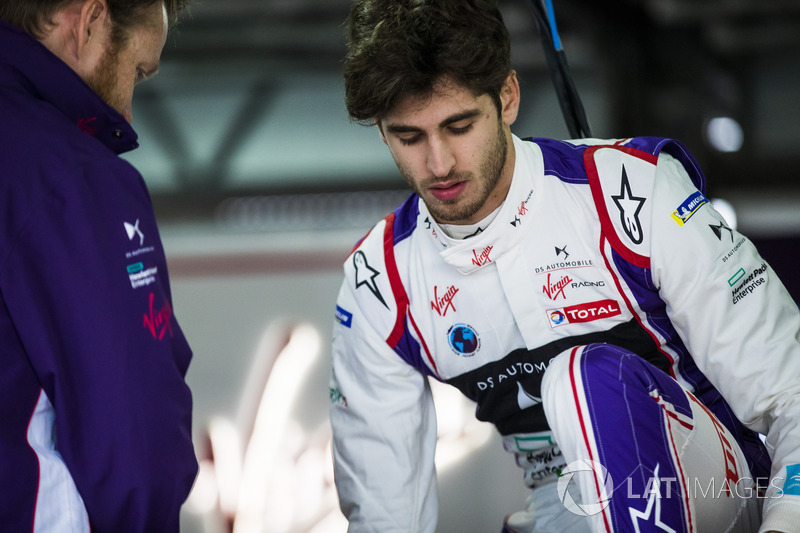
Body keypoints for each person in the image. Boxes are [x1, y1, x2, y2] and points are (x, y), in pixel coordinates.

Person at [328, 0, 800, 531]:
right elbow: (383, 514)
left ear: (507, 97)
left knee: (580, 379)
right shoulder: (379, 282)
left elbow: (791, 395)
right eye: (408, 137)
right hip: (564, 506)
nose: (438, 164)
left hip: (718, 491)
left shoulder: (633, 193)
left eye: (459, 126)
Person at [0, 1, 197, 531]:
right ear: (89, 20)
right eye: (137, 70)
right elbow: (134, 426)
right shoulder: (67, 180)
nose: (129, 115)